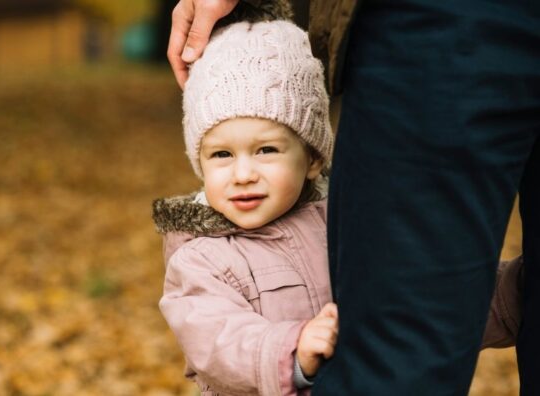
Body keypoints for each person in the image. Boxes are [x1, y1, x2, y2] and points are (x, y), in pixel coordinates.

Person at [166, 0, 538, 394]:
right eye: (221, 155)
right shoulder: (199, 259)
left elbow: (422, 301)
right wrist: (290, 351)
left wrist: (511, 295)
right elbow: (214, 341)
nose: (243, 175)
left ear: (312, 158)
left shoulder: (344, 223)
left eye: (267, 151)